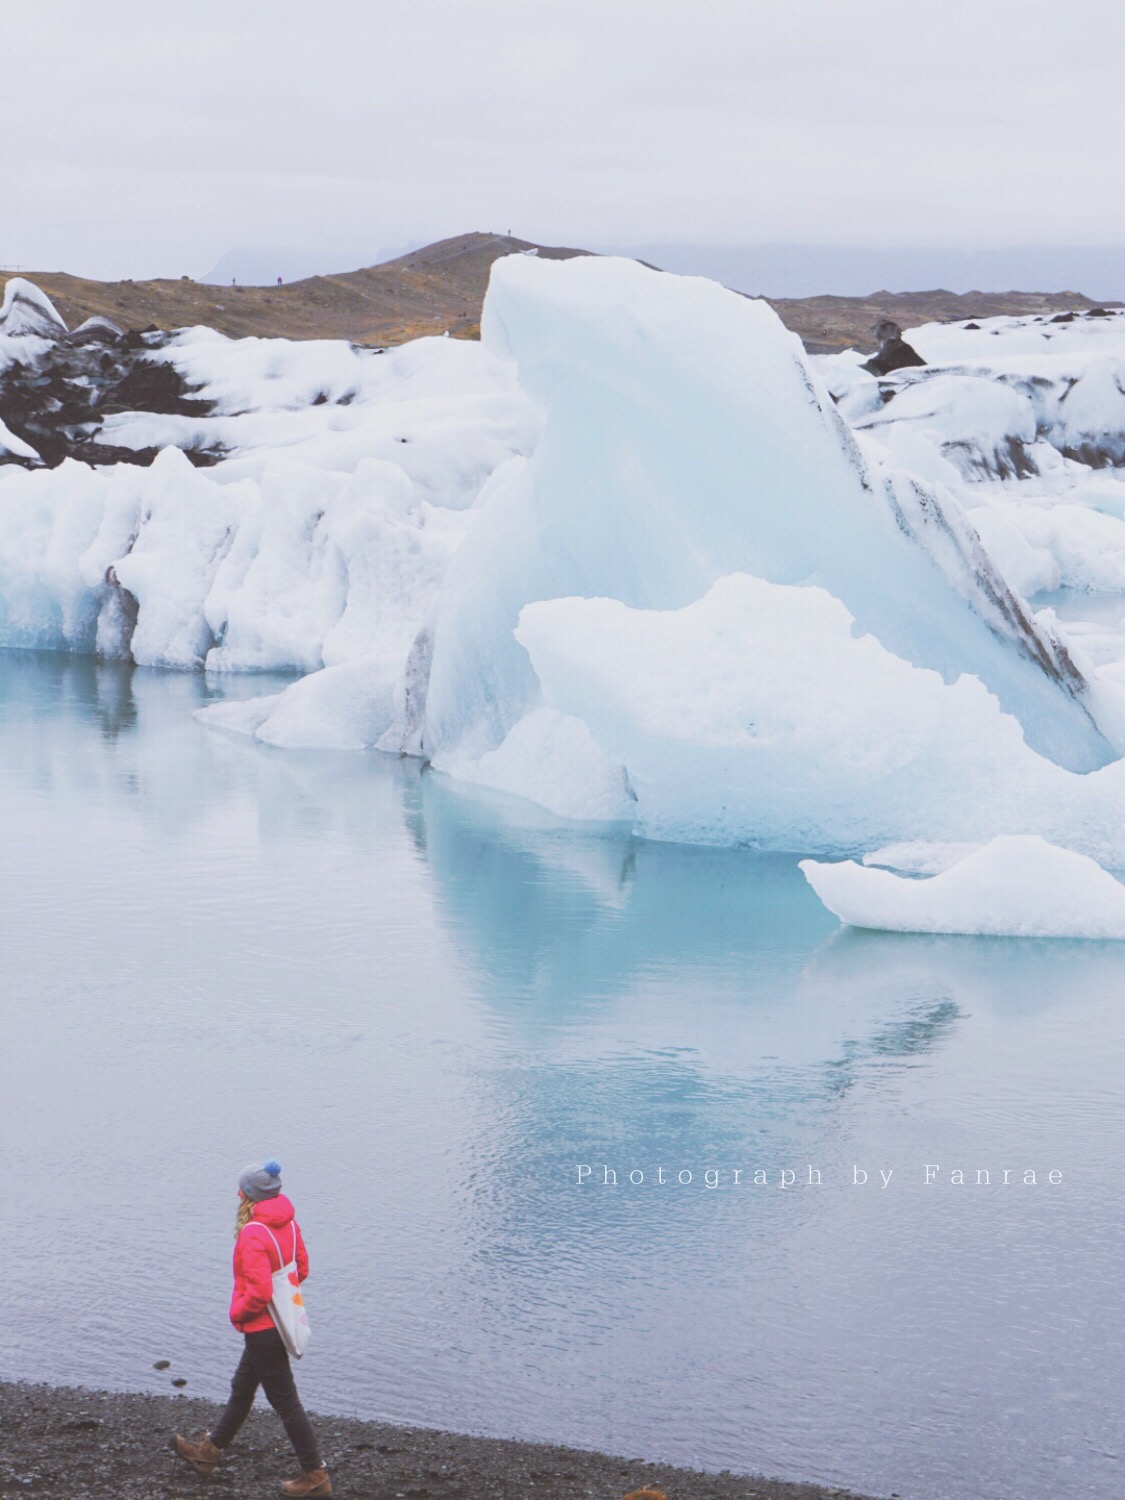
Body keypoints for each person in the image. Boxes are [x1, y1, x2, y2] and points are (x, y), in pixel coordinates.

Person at [172, 1160, 331, 1497]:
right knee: (242, 1388)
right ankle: (208, 1454)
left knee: (286, 1402)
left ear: (247, 1194)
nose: (237, 1193)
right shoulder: (288, 1222)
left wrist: (238, 1314)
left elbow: (258, 1292)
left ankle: (315, 1474)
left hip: (262, 1330)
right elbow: (300, 1269)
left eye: (240, 1189)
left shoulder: (252, 1233)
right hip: (280, 1322)